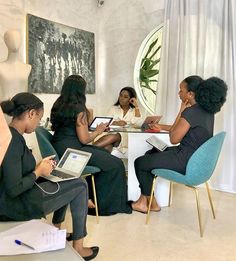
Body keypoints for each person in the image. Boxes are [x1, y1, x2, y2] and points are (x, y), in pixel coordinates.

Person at [0, 93, 99, 260]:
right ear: (31, 113)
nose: (39, 123)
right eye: (38, 118)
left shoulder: (12, 137)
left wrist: (40, 166)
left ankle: (55, 228)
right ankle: (79, 247)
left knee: (68, 181)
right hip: (16, 206)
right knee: (81, 185)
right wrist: (38, 172)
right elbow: (13, 189)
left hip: (18, 199)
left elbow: (15, 171)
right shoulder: (13, 142)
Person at [131, 75, 227, 213]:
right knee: (151, 153)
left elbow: (173, 138)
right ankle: (149, 202)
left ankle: (144, 203)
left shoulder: (191, 112)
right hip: (195, 159)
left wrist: (181, 110)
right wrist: (163, 126)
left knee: (140, 162)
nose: (179, 93)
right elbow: (183, 128)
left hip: (185, 160)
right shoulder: (206, 111)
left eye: (181, 90)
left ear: (190, 94)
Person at [50, 75, 132, 215]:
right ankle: (102, 205)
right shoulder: (79, 109)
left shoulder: (58, 105)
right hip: (74, 151)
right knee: (116, 164)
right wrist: (99, 130)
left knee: (105, 155)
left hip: (61, 148)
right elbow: (85, 139)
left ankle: (89, 196)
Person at [97, 87, 142, 156]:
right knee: (107, 147)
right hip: (111, 136)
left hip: (127, 137)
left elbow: (138, 124)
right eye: (120, 95)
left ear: (131, 99)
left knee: (117, 135)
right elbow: (106, 121)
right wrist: (116, 123)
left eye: (125, 97)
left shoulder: (135, 110)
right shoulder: (113, 108)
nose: (122, 98)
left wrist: (136, 106)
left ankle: (88, 149)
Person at [0, 30, 31, 101]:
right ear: (5, 41)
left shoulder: (27, 67)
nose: (14, 41)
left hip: (23, 109)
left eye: (17, 38)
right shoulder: (1, 67)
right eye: (11, 39)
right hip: (4, 109)